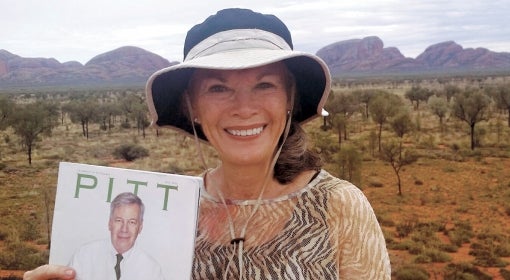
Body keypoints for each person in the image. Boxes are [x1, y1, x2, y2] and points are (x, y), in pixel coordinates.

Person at [24, 8, 391, 280]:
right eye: (218, 88)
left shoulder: (338, 207)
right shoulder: (171, 211)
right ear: (192, 107)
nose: (244, 108)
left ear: (289, 99)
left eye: (265, 85)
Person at [67, 192, 165, 280]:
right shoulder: (84, 256)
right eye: (119, 220)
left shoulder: (152, 271)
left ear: (140, 227)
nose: (124, 229)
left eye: (132, 222)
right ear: (110, 223)